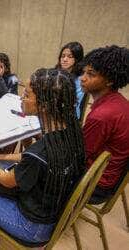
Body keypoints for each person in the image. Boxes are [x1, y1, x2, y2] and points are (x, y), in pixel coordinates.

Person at [0, 68, 85, 245]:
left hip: (33, 227)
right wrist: (0, 156)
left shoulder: (39, 153)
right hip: (52, 210)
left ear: (44, 105)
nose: (21, 98)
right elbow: (30, 157)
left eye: (26, 94)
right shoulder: (72, 132)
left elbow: (7, 180)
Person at [80, 45, 129, 204]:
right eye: (84, 72)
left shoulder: (102, 116)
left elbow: (79, 156)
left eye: (91, 74)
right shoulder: (120, 101)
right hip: (113, 177)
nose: (83, 78)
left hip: (96, 184)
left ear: (110, 80)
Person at [56, 41, 85, 119]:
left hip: (69, 117)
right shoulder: (55, 73)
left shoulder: (80, 80)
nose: (65, 59)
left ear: (77, 59)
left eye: (70, 56)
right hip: (54, 111)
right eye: (63, 56)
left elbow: (70, 103)